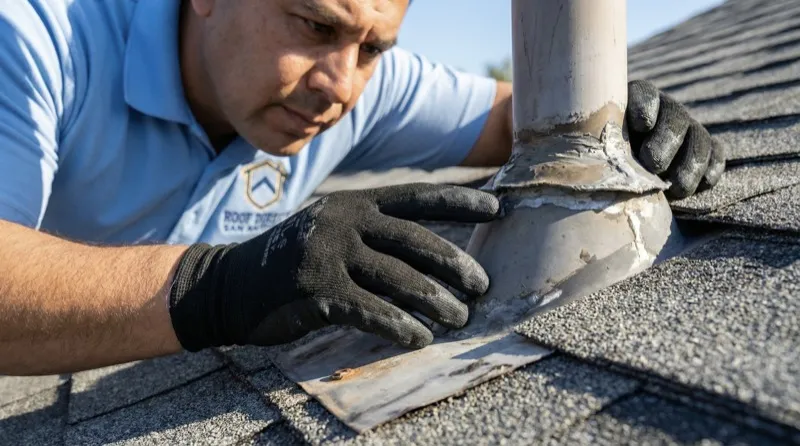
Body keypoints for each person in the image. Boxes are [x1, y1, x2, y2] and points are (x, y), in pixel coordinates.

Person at [0, 0, 725, 375]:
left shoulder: (355, 85)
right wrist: (217, 287)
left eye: (374, 48)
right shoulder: (32, 40)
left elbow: (519, 120)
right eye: (315, 24)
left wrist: (620, 112)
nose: (339, 87)